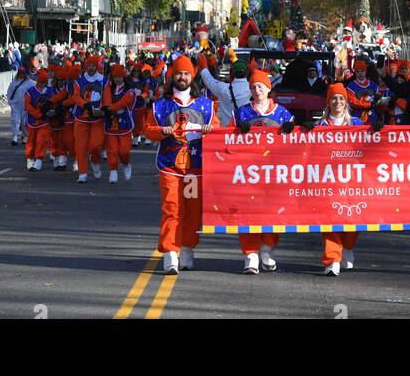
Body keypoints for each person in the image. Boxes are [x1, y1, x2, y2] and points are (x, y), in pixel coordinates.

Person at [143, 54, 219, 274]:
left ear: (192, 76)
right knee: (172, 210)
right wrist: (161, 131)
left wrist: (210, 130)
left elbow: (217, 128)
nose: (182, 77)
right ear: (172, 76)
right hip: (169, 167)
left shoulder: (206, 105)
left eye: (186, 73)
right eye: (178, 73)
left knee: (193, 211)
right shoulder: (160, 105)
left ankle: (187, 249)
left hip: (195, 169)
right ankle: (170, 254)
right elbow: (147, 130)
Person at [230, 66, 294, 274]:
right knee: (247, 212)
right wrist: (237, 131)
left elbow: (296, 143)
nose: (257, 90)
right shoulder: (241, 113)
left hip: (274, 172)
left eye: (261, 86)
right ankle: (250, 254)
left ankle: (267, 249)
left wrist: (293, 130)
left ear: (268, 89)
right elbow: (226, 141)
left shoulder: (283, 113)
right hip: (247, 172)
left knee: (273, 212)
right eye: (253, 87)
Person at [317, 83, 363, 274]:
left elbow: (372, 145)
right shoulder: (320, 125)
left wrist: (376, 130)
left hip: (354, 180)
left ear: (346, 102)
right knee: (330, 219)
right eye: (334, 98)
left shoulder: (357, 124)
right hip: (329, 180)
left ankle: (348, 247)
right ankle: (333, 259)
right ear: (328, 102)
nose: (338, 102)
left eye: (341, 98)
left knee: (355, 216)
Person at [68, 54, 108, 183]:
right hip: (81, 118)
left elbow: (106, 98)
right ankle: (82, 173)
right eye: (89, 65)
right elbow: (75, 97)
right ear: (86, 66)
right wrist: (85, 105)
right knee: (80, 147)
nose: (91, 67)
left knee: (96, 146)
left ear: (97, 66)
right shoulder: (79, 81)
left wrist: (104, 109)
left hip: (97, 119)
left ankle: (95, 161)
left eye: (93, 65)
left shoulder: (104, 80)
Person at [198, 52, 252, 126]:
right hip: (247, 131)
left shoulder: (223, 89)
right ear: (247, 73)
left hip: (227, 133)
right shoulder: (253, 88)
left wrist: (204, 67)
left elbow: (209, 81)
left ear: (232, 73)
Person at [103, 63, 136, 182]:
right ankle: (113, 171)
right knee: (111, 150)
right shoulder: (108, 89)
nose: (117, 79)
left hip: (125, 125)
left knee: (124, 151)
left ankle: (126, 164)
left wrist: (110, 108)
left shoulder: (130, 90)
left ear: (123, 77)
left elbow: (124, 102)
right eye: (115, 77)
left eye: (120, 77)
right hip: (111, 124)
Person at [24, 68, 53, 170]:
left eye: (44, 82)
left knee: (42, 140)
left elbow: (54, 103)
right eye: (41, 82)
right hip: (32, 120)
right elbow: (27, 106)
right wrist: (37, 114)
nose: (42, 85)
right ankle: (30, 158)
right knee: (31, 141)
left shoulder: (50, 91)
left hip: (44, 121)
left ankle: (39, 159)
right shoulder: (30, 92)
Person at [7, 64, 30, 146]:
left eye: (23, 73)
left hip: (25, 106)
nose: (21, 74)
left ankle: (25, 136)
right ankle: (15, 137)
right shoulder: (14, 82)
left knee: (24, 121)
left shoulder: (30, 83)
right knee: (15, 121)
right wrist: (10, 101)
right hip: (15, 105)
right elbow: (9, 92)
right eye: (20, 72)